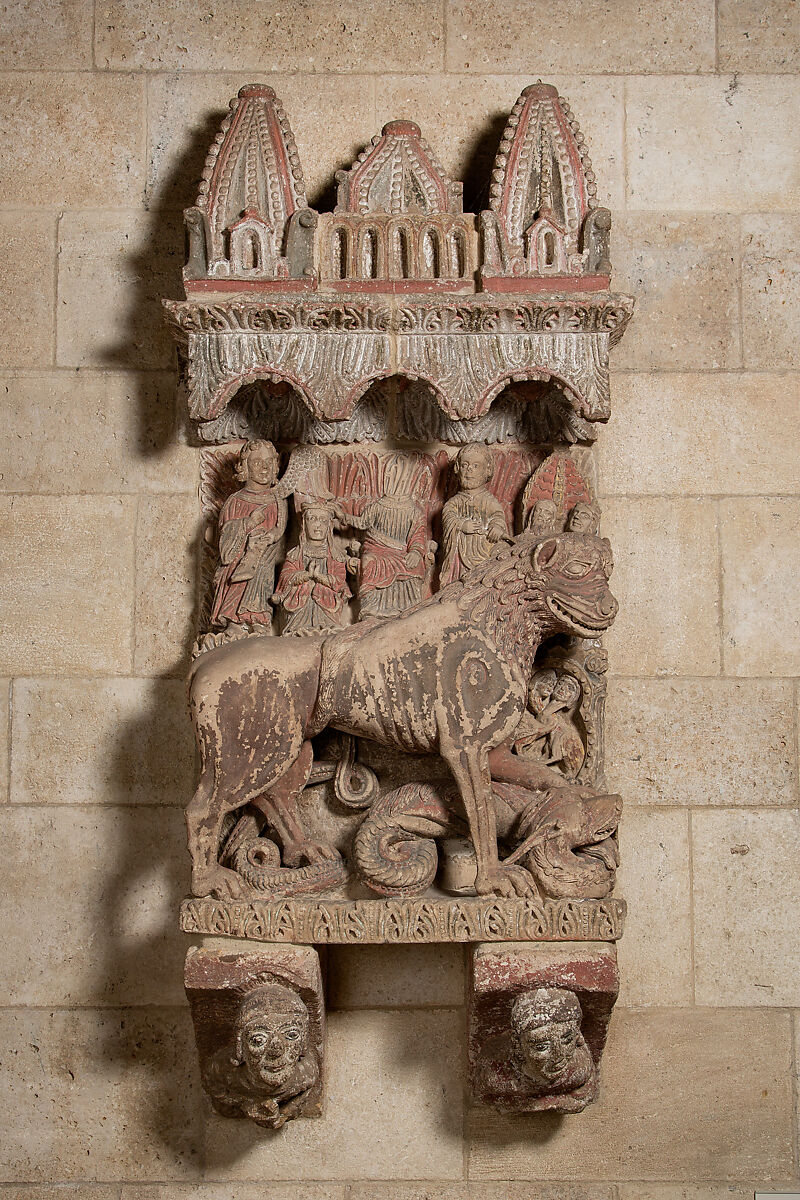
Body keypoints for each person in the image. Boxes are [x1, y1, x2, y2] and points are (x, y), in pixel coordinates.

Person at [210, 440, 287, 629]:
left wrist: (270, 537)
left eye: (269, 462)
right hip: (238, 557)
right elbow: (226, 533)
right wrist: (248, 523)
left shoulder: (277, 499)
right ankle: (233, 621)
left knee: (261, 580)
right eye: (257, 462)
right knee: (236, 580)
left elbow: (280, 527)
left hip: (265, 556)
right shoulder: (235, 501)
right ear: (244, 467)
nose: (264, 467)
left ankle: (258, 619)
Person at [349, 458, 433, 619]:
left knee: (413, 565)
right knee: (369, 562)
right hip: (376, 549)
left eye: (401, 477)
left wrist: (415, 552)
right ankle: (371, 609)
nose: (396, 481)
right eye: (392, 476)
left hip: (402, 552)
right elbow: (361, 523)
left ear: (410, 480)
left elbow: (418, 536)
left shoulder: (414, 511)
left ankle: (408, 609)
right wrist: (342, 516)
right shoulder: (377, 506)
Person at [273, 501, 358, 635]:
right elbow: (285, 577)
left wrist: (320, 578)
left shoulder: (336, 555)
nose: (318, 524)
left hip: (327, 601)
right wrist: (305, 576)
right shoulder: (295, 554)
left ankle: (326, 626)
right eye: (312, 519)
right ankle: (298, 628)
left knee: (322, 588)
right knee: (304, 586)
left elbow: (340, 580)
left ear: (329, 526)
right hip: (299, 601)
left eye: (323, 520)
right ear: (304, 524)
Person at [439, 444, 509, 585]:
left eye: (476, 466)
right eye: (465, 465)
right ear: (457, 468)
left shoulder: (489, 501)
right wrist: (462, 525)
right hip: (459, 560)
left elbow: (498, 516)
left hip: (483, 557)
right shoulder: (454, 502)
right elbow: (448, 517)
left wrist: (496, 528)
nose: (469, 470)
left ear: (487, 470)